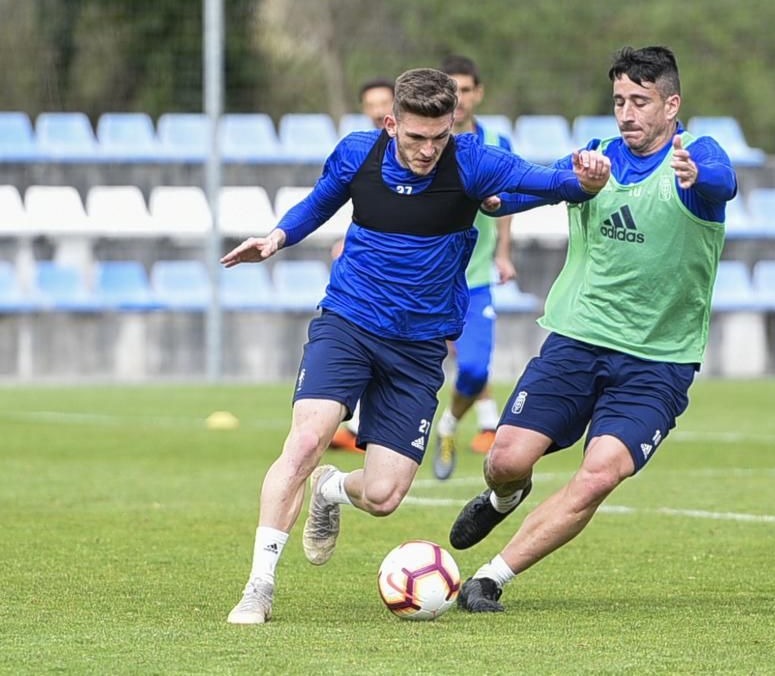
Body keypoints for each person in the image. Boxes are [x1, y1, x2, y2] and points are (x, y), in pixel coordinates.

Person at [222, 67, 611, 624]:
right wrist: (276, 238)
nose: (428, 149)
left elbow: (548, 183)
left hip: (418, 348)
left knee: (382, 497)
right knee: (307, 439)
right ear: (390, 124)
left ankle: (331, 491)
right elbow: (319, 203)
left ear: (452, 124)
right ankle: (258, 586)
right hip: (349, 322)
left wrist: (588, 180)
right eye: (414, 137)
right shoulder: (359, 153)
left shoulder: (472, 159)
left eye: (439, 136)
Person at [448, 46, 737, 613]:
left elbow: (721, 183)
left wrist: (697, 174)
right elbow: (539, 187)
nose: (626, 113)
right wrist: (497, 197)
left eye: (640, 101)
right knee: (506, 460)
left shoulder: (696, 154)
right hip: (577, 341)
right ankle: (504, 496)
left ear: (671, 104)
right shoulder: (597, 157)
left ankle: (491, 578)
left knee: (600, 472)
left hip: (658, 361)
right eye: (619, 101)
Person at [432, 54, 516, 480]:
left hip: (476, 280)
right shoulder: (427, 141)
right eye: (452, 90)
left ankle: (447, 424)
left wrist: (503, 252)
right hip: (425, 281)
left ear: (478, 93)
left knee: (475, 367)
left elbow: (507, 203)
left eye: (466, 89)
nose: (459, 98)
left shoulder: (497, 144)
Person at [330, 77, 396, 453]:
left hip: (421, 271)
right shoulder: (359, 150)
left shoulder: (418, 152)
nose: (376, 111)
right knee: (362, 337)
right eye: (369, 104)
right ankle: (355, 426)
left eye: (382, 102)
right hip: (368, 268)